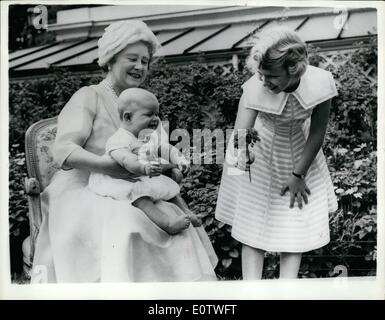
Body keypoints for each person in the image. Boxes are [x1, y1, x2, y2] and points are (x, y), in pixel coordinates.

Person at [32, 20, 217, 283]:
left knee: (171, 215)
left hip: (133, 185)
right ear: (110, 59)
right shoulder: (89, 96)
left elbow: (158, 149)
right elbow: (63, 150)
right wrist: (108, 167)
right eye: (132, 58)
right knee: (130, 219)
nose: (140, 66)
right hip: (85, 187)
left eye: (145, 61)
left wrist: (172, 168)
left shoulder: (144, 103)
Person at [215, 26, 338, 280]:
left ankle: (287, 289)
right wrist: (241, 160)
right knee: (254, 217)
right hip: (259, 153)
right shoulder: (255, 87)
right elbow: (241, 134)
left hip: (301, 153)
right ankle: (252, 289)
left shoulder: (320, 82)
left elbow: (317, 133)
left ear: (292, 69)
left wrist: (298, 174)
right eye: (261, 74)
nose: (264, 81)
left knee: (294, 218)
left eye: (270, 75)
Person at [88, 88, 201, 234]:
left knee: (170, 190)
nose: (155, 119)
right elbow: (127, 160)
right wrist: (145, 168)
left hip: (141, 175)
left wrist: (178, 158)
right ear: (128, 117)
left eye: (157, 114)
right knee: (142, 198)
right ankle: (167, 224)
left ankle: (186, 213)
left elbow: (164, 148)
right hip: (122, 179)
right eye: (149, 114)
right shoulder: (118, 140)